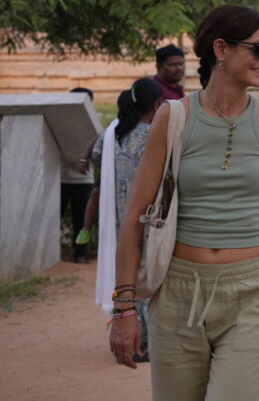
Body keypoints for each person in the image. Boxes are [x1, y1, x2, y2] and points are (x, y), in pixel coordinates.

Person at [108, 4, 259, 399]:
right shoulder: (173, 118)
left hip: (251, 294)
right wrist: (123, 308)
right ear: (221, 49)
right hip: (177, 294)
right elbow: (134, 216)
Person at [92, 78, 163, 361]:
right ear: (156, 105)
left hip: (116, 218)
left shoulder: (111, 133)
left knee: (126, 278)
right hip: (145, 216)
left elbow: (96, 160)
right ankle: (145, 341)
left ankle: (130, 332)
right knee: (147, 276)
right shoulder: (151, 135)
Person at [62, 87, 96, 263]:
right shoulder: (59, 121)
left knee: (82, 219)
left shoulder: (93, 122)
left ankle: (80, 254)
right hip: (60, 178)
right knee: (55, 218)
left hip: (84, 180)